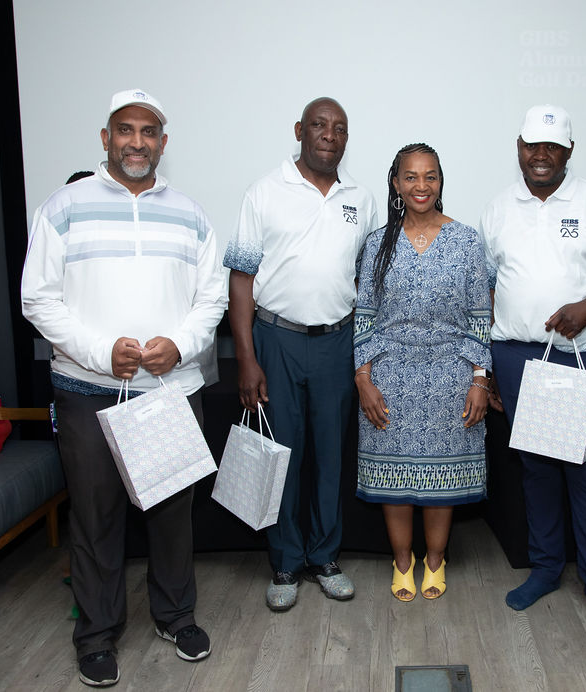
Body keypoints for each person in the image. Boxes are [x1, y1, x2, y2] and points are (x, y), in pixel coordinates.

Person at [22, 89, 226, 686]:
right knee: (95, 517)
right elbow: (38, 298)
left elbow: (212, 297)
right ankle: (96, 635)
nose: (137, 142)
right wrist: (99, 353)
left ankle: (175, 616)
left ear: (163, 142)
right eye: (125, 130)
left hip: (170, 389)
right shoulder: (63, 206)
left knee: (172, 514)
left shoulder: (190, 213)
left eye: (148, 132)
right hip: (87, 388)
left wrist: (180, 345)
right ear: (105, 138)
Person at [479, 104, 586, 636]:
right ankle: (545, 570)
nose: (540, 155)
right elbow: (488, 289)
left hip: (579, 358)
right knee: (536, 471)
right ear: (519, 147)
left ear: (569, 151)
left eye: (552, 147)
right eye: (532, 146)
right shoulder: (498, 208)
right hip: (516, 357)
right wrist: (488, 368)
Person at [223, 97, 378, 612]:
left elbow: (366, 279)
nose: (329, 135)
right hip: (277, 340)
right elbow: (241, 280)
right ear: (299, 130)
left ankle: (325, 558)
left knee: (331, 456)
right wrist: (246, 358)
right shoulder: (264, 191)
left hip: (338, 341)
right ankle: (286, 562)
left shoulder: (362, 199)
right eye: (319, 125)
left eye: (339, 128)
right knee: (283, 456)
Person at [354, 143, 491, 601]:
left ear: (441, 182)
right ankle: (402, 563)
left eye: (430, 176)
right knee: (394, 482)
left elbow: (479, 316)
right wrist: (363, 379)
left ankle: (434, 561)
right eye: (410, 176)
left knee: (442, 480)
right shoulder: (377, 242)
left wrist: (479, 380)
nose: (421, 186)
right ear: (396, 183)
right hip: (389, 377)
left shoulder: (466, 241)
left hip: (452, 377)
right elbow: (364, 316)